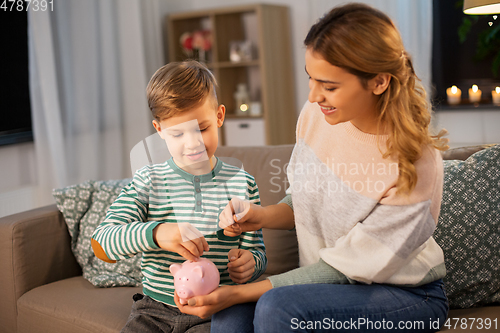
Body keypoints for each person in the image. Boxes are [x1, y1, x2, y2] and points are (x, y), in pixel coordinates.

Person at [174, 3, 450, 332]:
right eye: (311, 79)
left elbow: (346, 268)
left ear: (378, 82)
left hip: (406, 294)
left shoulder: (416, 164)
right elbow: (305, 201)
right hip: (327, 285)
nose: (314, 96)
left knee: (275, 307)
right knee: (231, 316)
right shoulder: (317, 116)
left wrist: (239, 292)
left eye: (330, 86)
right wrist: (258, 216)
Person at [91, 60, 267, 333]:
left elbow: (257, 251)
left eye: (202, 128)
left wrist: (250, 264)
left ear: (219, 116)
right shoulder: (148, 182)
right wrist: (158, 233)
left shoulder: (242, 184)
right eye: (177, 133)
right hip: (153, 312)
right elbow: (102, 244)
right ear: (159, 129)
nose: (193, 143)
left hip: (217, 311)